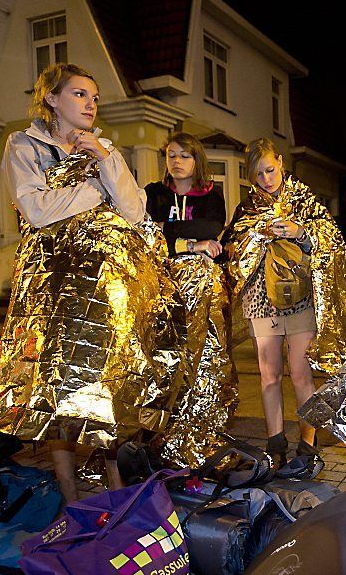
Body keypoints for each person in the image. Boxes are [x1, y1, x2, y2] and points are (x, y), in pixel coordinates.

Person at [0, 63, 184, 500]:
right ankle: (69, 492)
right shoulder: (24, 145)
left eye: (95, 97)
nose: (90, 104)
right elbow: (36, 210)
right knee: (56, 387)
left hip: (102, 285)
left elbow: (134, 211)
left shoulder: (104, 147)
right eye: (80, 95)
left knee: (105, 382)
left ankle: (115, 488)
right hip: (53, 282)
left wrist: (104, 160)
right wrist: (96, 192)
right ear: (52, 98)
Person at [222, 138, 346, 470]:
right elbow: (232, 247)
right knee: (269, 375)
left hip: (300, 299)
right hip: (261, 299)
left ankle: (308, 447)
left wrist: (301, 233)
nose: (267, 179)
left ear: (281, 162)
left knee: (300, 373)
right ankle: (275, 444)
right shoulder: (248, 208)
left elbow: (333, 242)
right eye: (258, 175)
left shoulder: (304, 200)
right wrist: (257, 237)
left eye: (270, 170)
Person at [143, 132, 238, 468]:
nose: (177, 161)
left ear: (197, 160)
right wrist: (191, 243)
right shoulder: (154, 194)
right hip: (162, 285)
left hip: (202, 288)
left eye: (185, 155)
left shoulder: (212, 195)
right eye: (171, 154)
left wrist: (175, 236)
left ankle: (203, 428)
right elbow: (149, 234)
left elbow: (210, 226)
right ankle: (161, 433)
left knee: (206, 354)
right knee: (165, 355)